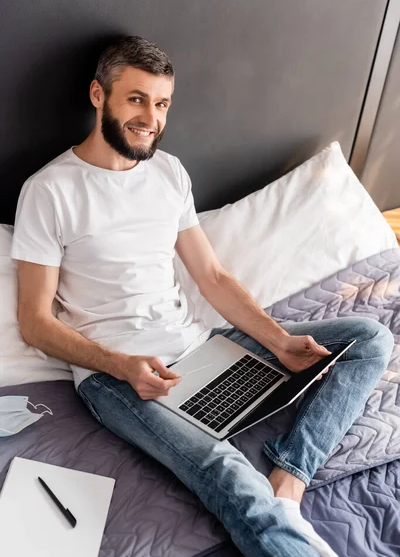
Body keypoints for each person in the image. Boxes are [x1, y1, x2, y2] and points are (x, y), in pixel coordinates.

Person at [10, 36, 394, 557]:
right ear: (99, 95)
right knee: (225, 469)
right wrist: (121, 365)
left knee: (369, 339)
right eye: (136, 99)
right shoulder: (50, 190)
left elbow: (211, 276)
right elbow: (35, 323)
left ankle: (290, 478)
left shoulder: (168, 173)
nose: (151, 117)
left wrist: (279, 341)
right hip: (118, 377)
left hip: (201, 347)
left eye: (162, 103)